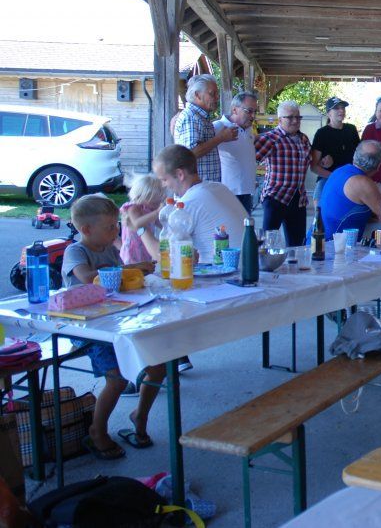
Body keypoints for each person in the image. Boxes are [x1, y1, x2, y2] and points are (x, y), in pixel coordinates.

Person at [61, 195, 162, 460]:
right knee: (117, 377)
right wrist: (130, 268)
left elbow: (121, 282)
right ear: (86, 230)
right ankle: (98, 430)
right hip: (86, 328)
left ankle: (139, 416)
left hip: (116, 320)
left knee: (159, 363)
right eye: (110, 227)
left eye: (116, 225)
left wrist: (137, 272)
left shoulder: (109, 248)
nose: (116, 231)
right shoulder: (77, 251)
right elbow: (88, 278)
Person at [153, 144, 248, 261]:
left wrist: (140, 229)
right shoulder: (219, 188)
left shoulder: (187, 204)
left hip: (220, 276)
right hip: (247, 269)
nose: (164, 185)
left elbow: (167, 257)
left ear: (180, 174)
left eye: (164, 179)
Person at [254, 101, 312, 246]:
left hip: (298, 198)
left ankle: (295, 268)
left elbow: (311, 161)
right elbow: (249, 159)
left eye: (298, 117)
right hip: (276, 197)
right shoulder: (270, 139)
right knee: (267, 243)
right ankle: (264, 268)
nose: (295, 121)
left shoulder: (303, 139)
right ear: (280, 120)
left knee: (297, 245)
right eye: (290, 117)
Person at [173, 74, 236, 183]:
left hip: (204, 187)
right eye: (212, 93)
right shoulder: (191, 117)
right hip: (195, 189)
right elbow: (190, 153)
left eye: (217, 93)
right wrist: (221, 138)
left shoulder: (200, 117)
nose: (217, 97)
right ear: (197, 95)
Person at [319, 140, 381, 240]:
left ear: (355, 155)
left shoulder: (339, 171)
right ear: (379, 165)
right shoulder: (362, 182)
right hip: (333, 248)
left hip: (315, 242)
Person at [214, 91, 259, 213]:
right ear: (234, 110)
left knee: (245, 230)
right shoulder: (218, 127)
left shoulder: (248, 129)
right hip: (228, 193)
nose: (253, 116)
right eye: (249, 111)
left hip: (246, 192)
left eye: (255, 112)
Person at [310, 97, 360, 206]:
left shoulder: (351, 129)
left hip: (351, 177)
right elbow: (313, 166)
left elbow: (360, 157)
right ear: (328, 113)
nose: (341, 111)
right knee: (319, 207)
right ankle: (318, 220)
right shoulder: (321, 133)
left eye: (343, 108)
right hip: (327, 177)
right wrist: (335, 176)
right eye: (336, 108)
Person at [119, 173, 165, 264]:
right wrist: (156, 212)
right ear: (141, 197)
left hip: (144, 246)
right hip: (132, 248)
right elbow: (136, 223)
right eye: (154, 202)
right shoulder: (133, 207)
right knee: (134, 269)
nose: (156, 205)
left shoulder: (149, 209)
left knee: (146, 267)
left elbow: (160, 224)